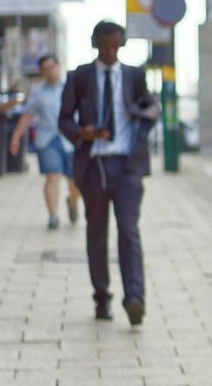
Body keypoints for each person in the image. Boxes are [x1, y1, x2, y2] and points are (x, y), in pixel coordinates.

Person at [58, 21, 158, 325]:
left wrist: (147, 115)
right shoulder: (80, 77)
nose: (110, 51)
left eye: (116, 45)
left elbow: (151, 105)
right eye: (105, 46)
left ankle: (135, 299)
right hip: (94, 166)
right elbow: (64, 120)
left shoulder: (134, 75)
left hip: (128, 166)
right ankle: (102, 297)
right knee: (97, 232)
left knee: (129, 231)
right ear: (95, 43)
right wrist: (82, 133)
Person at [10, 55, 80, 229]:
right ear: (41, 72)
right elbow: (27, 116)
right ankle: (53, 215)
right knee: (52, 176)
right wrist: (16, 137)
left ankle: (72, 203)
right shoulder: (38, 93)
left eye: (52, 67)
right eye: (45, 69)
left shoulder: (71, 88)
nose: (49, 71)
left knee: (75, 181)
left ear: (59, 66)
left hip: (71, 140)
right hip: (47, 139)